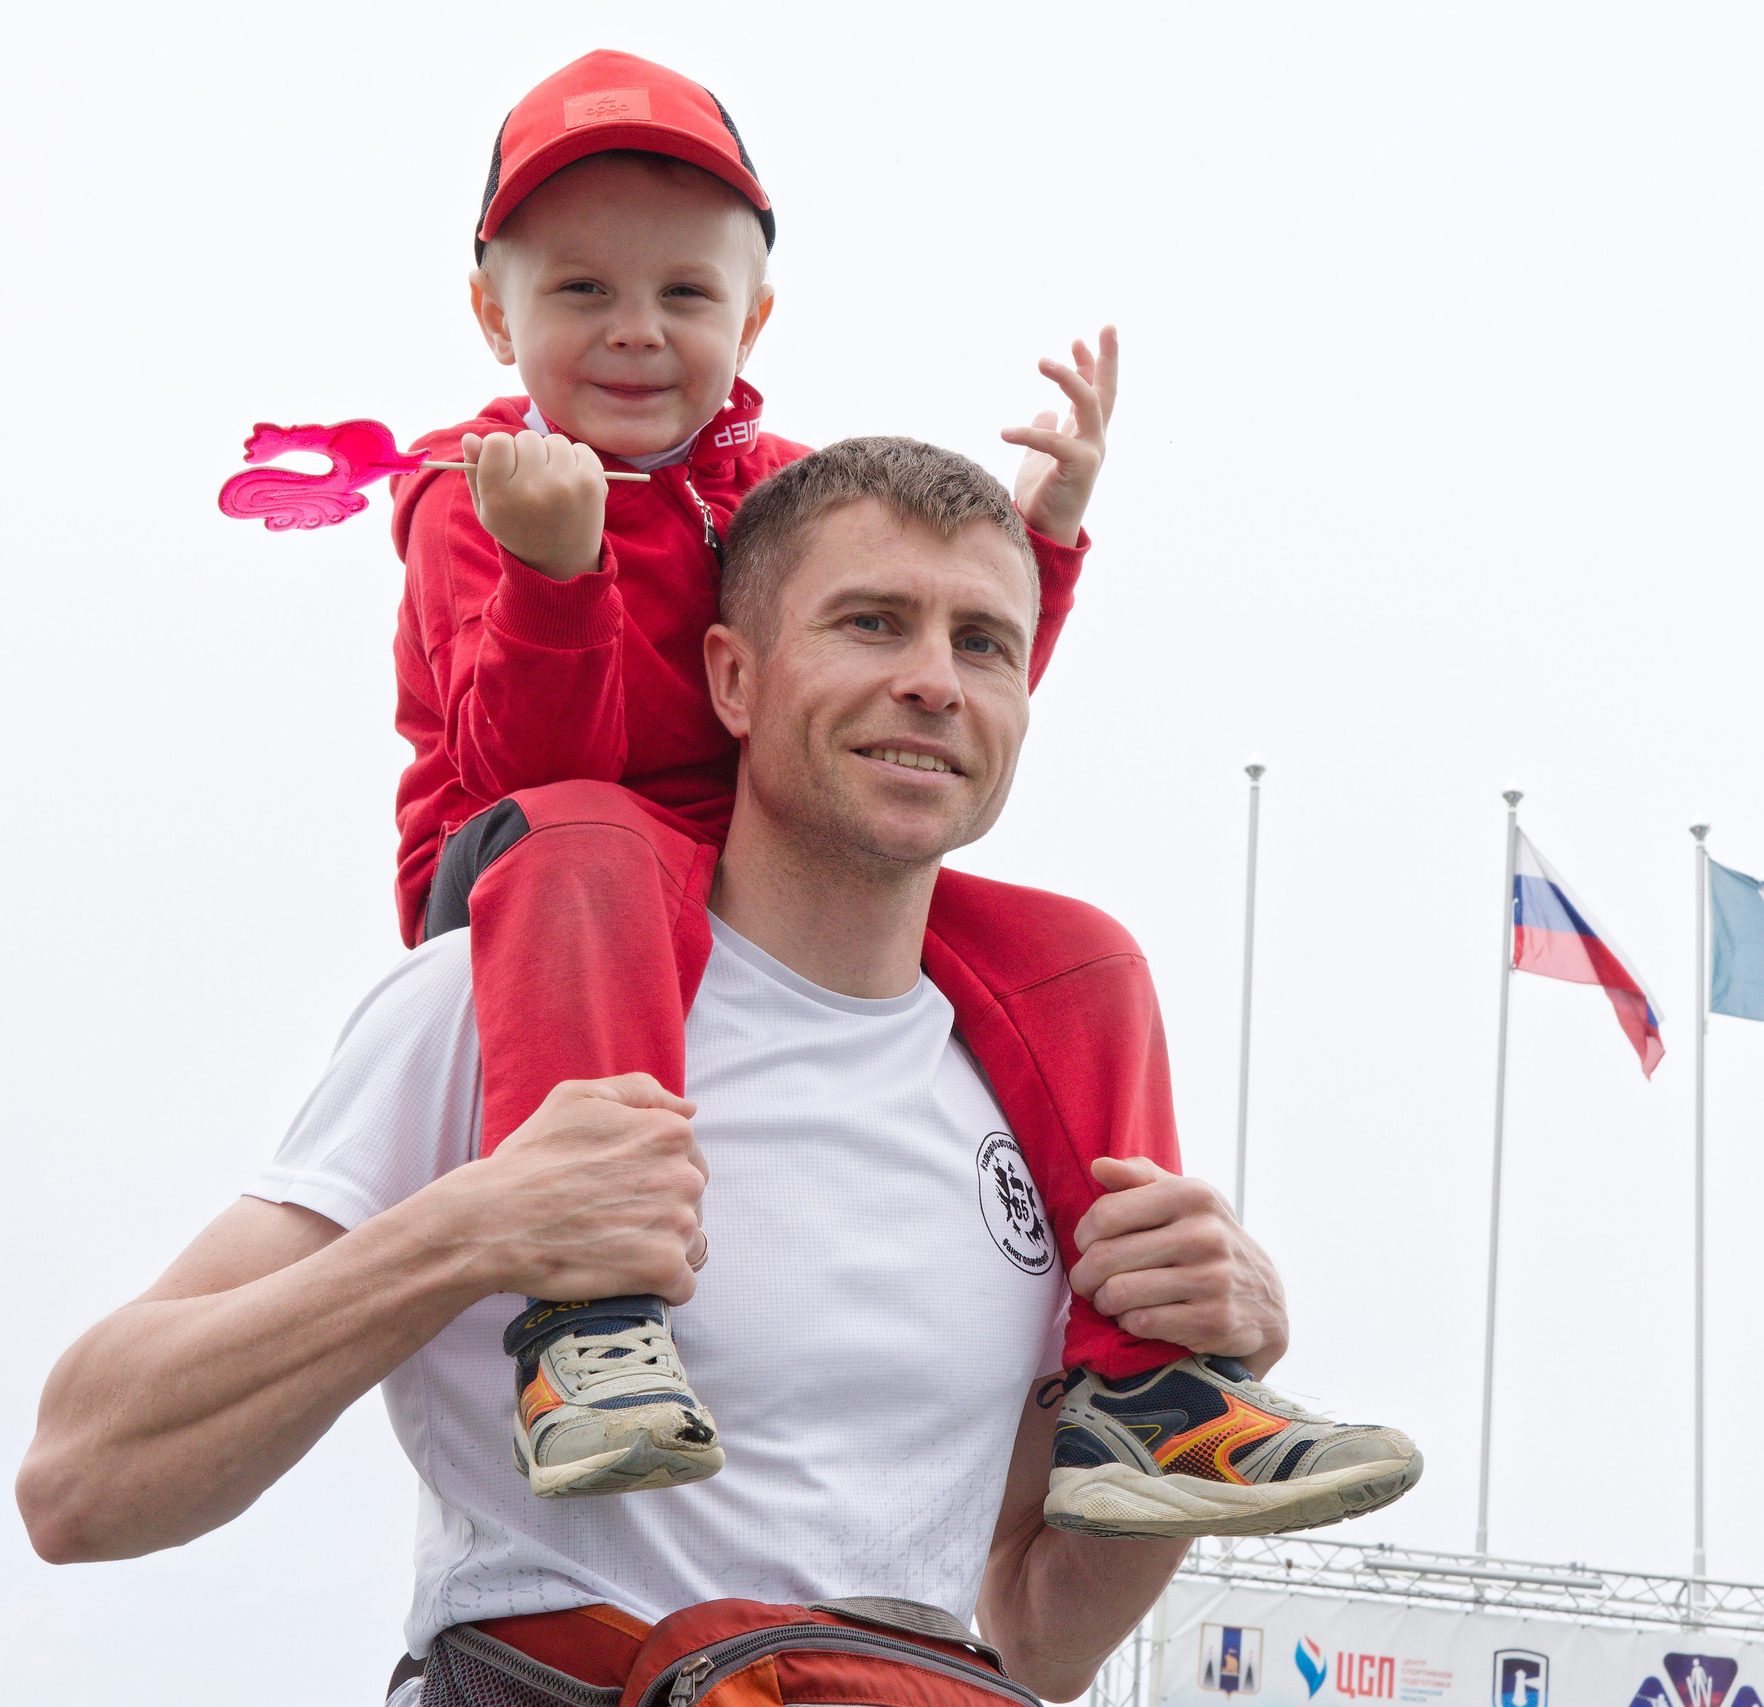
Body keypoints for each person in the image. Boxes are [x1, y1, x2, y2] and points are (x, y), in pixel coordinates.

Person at [16, 440, 1412, 1698]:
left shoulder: (1039, 1095)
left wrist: (1212, 1344)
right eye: (873, 622)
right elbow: (82, 1482)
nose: (934, 676)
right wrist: (466, 1232)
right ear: (733, 678)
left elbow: (1040, 1633)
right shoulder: (502, 999)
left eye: (984, 641)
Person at [386, 48, 1422, 1532]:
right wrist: (555, 574)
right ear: (494, 312)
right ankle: (592, 1325)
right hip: (535, 850)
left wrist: (1039, 546)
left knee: (1081, 952)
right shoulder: (478, 491)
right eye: (579, 293)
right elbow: (531, 774)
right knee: (594, 836)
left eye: (683, 294)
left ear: (752, 315)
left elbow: (921, 696)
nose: (634, 332)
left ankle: (1144, 1389)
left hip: (757, 848)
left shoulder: (782, 489)